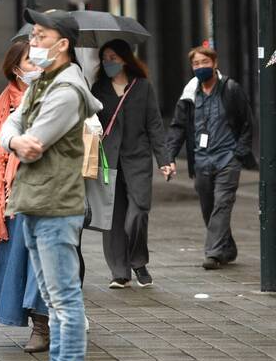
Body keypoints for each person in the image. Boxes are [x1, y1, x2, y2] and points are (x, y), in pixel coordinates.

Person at [0, 9, 103, 361]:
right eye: (33, 35)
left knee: (63, 298)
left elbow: (34, 141)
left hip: (56, 204)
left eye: (41, 36)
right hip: (37, 200)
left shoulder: (65, 90)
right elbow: (12, 127)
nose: (33, 43)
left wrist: (19, 138)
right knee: (50, 294)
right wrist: (15, 140)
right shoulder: (43, 81)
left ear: (63, 45)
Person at [0, 39, 51, 353]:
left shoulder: (54, 96)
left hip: (49, 193)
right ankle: (40, 326)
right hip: (15, 199)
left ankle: (47, 322)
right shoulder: (1, 105)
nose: (36, 65)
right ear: (16, 68)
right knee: (24, 262)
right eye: (30, 61)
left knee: (45, 260)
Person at [166, 46, 256, 270]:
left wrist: (239, 153)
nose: (200, 67)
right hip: (202, 161)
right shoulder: (189, 95)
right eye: (196, 64)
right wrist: (169, 157)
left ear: (215, 64)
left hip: (228, 159)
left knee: (222, 204)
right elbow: (177, 128)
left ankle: (213, 253)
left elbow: (247, 122)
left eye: (204, 62)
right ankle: (227, 248)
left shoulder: (230, 89)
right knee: (209, 207)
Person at [91, 39, 171, 288]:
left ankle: (138, 261)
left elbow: (155, 125)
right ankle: (119, 271)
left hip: (137, 160)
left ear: (125, 59)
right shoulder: (98, 89)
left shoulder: (142, 87)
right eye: (104, 58)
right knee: (112, 219)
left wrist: (164, 160)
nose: (108, 63)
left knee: (137, 215)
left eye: (113, 58)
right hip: (108, 160)